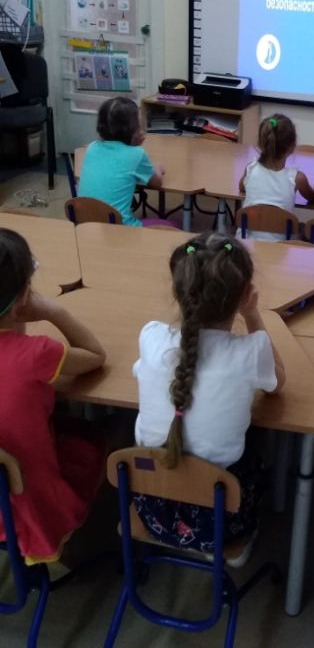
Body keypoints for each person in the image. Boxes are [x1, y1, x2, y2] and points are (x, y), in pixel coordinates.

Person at [132, 233, 285, 561]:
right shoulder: (250, 352)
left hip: (152, 509)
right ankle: (237, 544)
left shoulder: (152, 337)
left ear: (178, 292)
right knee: (259, 450)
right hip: (218, 523)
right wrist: (253, 315)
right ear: (244, 296)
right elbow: (279, 383)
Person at [0, 228, 107, 566]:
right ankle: (80, 547)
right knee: (111, 433)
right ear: (23, 298)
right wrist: (52, 312)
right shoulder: (36, 354)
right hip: (35, 508)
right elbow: (95, 356)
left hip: (5, 492)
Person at [79, 96, 165, 227]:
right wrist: (158, 169)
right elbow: (157, 183)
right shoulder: (137, 154)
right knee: (171, 225)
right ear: (133, 128)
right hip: (119, 229)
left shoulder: (91, 147)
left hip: (87, 225)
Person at [238, 113, 314, 240]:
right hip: (280, 246)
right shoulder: (297, 178)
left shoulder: (250, 169)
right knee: (303, 230)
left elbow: (242, 187)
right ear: (292, 147)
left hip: (246, 242)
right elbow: (313, 199)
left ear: (261, 144)